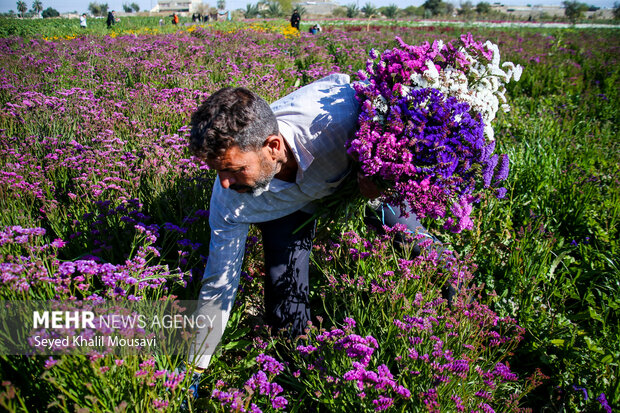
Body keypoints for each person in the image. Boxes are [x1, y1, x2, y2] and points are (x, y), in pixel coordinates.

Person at [186, 74, 437, 389]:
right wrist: (193, 369)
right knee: (284, 295)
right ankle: (298, 380)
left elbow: (405, 115)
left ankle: (459, 295)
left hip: (351, 176)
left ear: (273, 146)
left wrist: (380, 174)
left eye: (234, 169)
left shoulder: (340, 118)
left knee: (416, 241)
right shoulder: (230, 200)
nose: (224, 181)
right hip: (286, 206)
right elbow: (220, 282)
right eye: (218, 170)